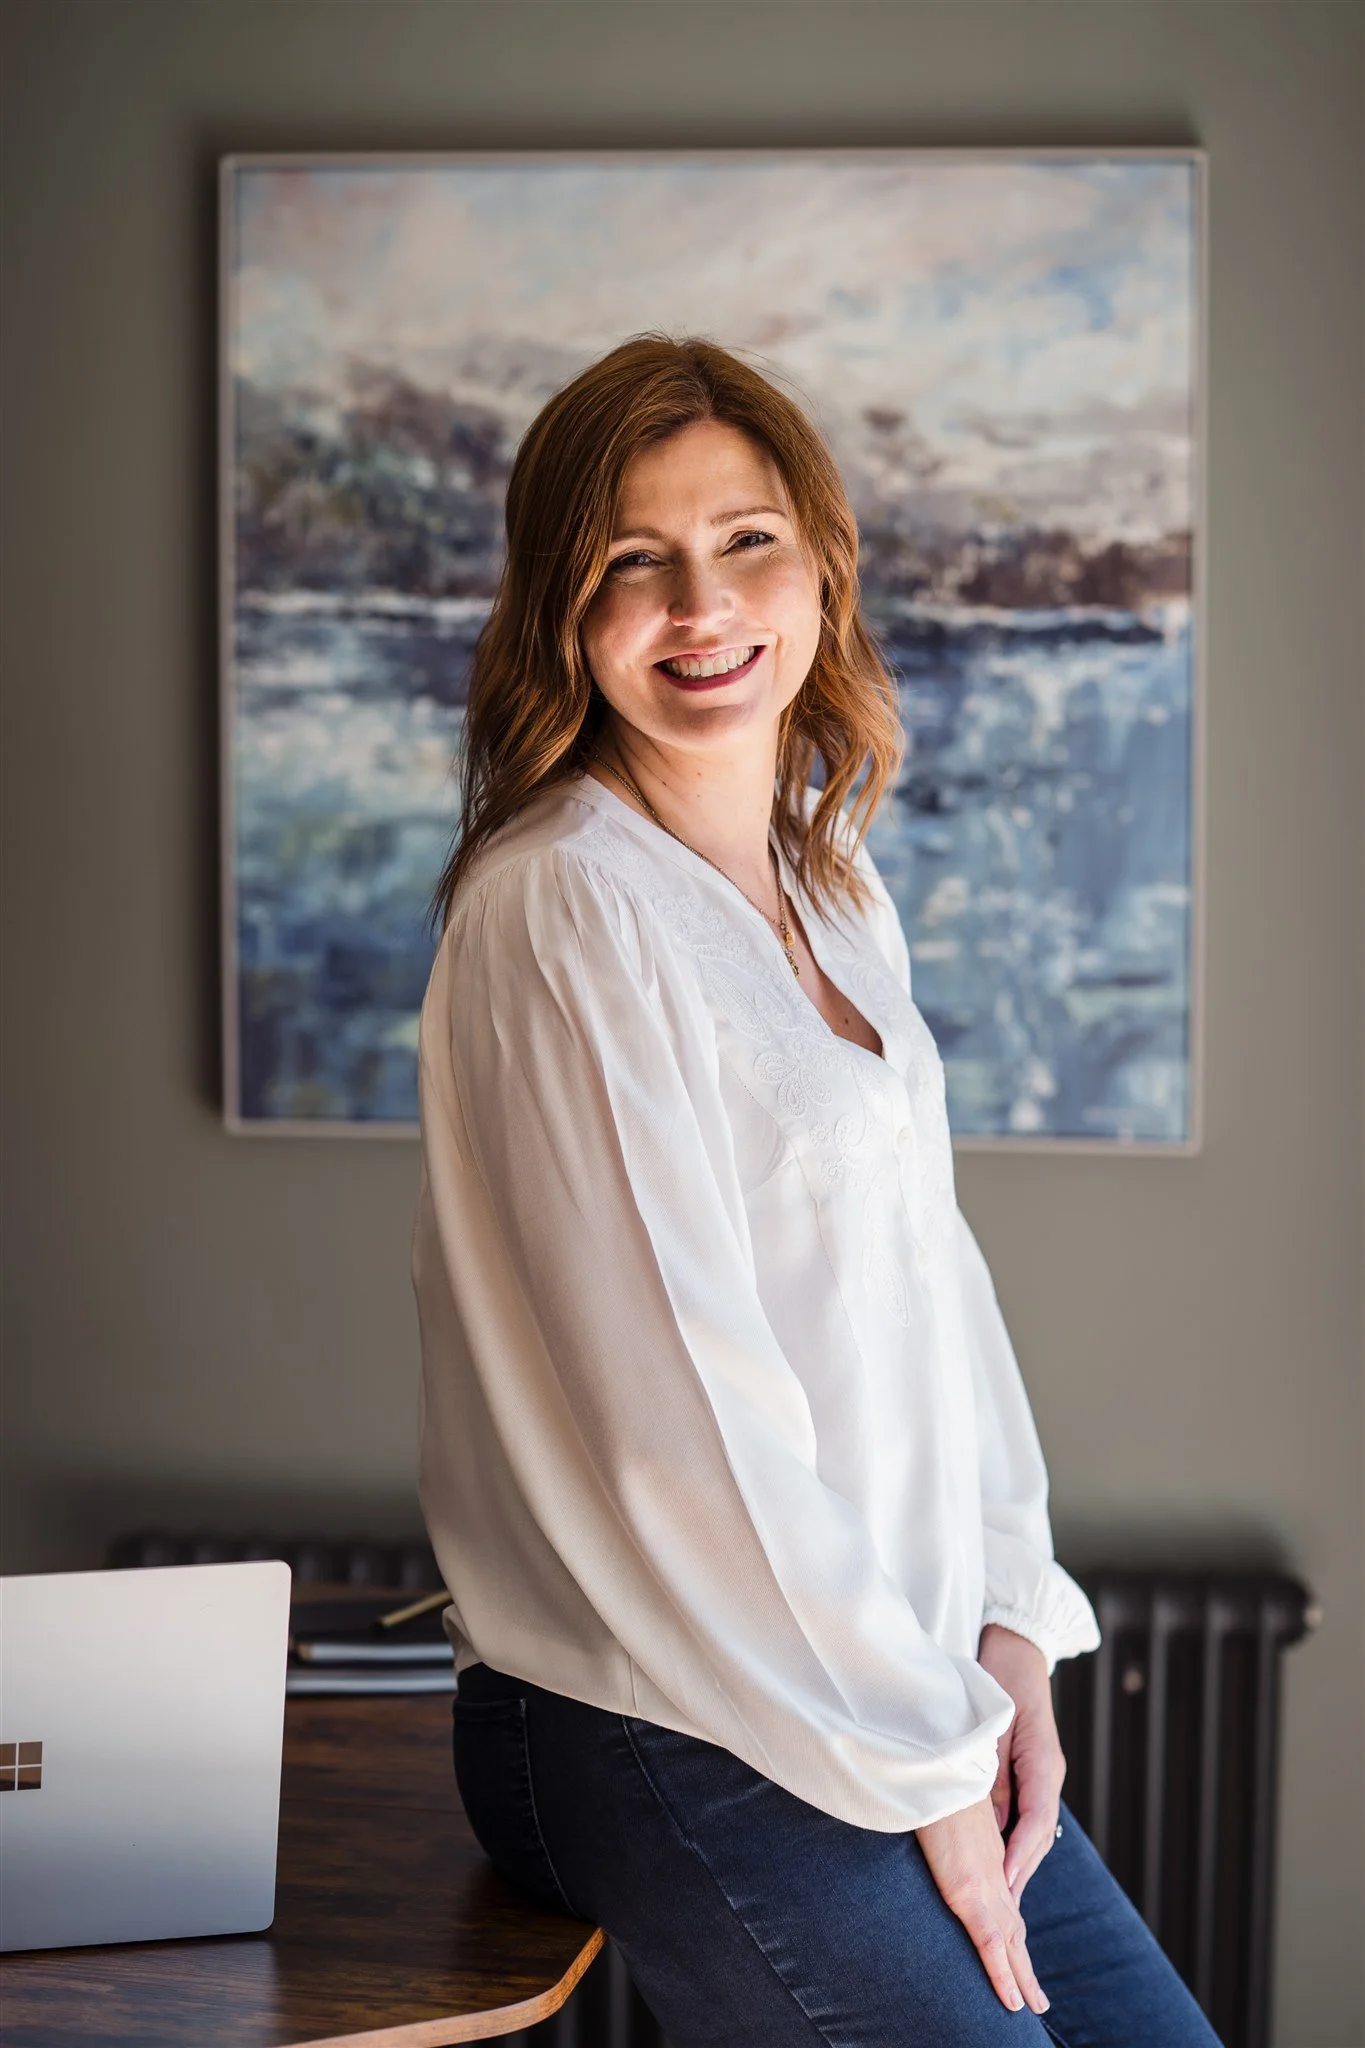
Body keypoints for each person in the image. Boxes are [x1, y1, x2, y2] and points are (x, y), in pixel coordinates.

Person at [411, 335, 1220, 2047]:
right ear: (563, 604)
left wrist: (1004, 1623)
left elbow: (936, 1276)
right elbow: (680, 1418)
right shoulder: (563, 908)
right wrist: (920, 1762)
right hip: (665, 1709)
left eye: (747, 539)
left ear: (823, 563)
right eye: (634, 559)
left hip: (892, 1687)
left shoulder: (828, 876)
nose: (702, 603)